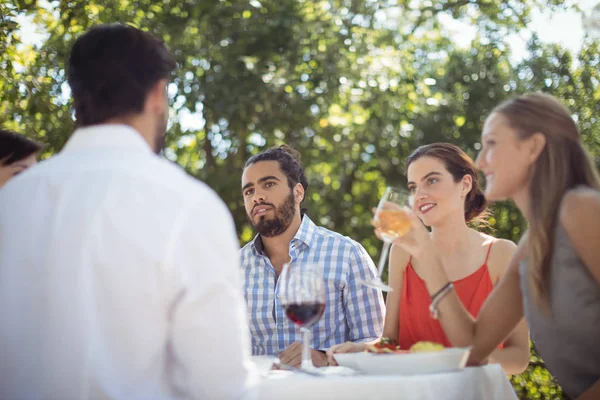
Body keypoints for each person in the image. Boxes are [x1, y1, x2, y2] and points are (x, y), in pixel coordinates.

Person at [0, 24, 258, 399]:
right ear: (157, 94)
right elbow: (219, 386)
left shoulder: (12, 202)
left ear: (77, 94)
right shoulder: (189, 206)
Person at [377, 93, 600, 399]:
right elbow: (473, 346)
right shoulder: (531, 246)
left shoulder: (579, 209)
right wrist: (426, 253)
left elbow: (514, 357)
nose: (481, 161)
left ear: (533, 147)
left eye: (492, 144)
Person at [328, 143, 529, 374]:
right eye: (413, 187)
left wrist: (454, 360)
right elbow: (390, 342)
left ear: (464, 184)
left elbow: (519, 358)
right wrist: (359, 349)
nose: (419, 195)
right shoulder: (402, 251)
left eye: (431, 181)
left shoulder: (502, 254)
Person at [240, 144, 385, 367]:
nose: (257, 196)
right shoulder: (233, 267)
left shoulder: (347, 255)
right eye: (249, 191)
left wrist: (326, 358)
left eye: (268, 184)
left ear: (298, 192)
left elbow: (376, 344)